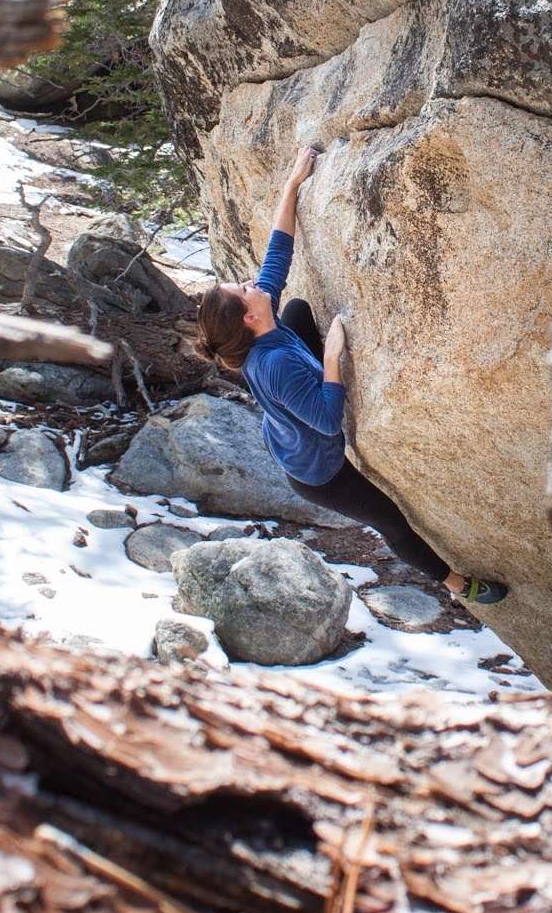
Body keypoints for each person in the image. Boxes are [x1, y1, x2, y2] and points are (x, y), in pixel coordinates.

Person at [196, 145, 509, 605]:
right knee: (392, 522)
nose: (251, 283)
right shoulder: (275, 362)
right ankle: (458, 585)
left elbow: (278, 252)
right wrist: (333, 358)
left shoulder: (263, 320)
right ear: (248, 317)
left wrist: (292, 184)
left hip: (288, 408)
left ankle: (314, 367)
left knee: (299, 309)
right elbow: (327, 421)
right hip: (317, 468)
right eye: (243, 289)